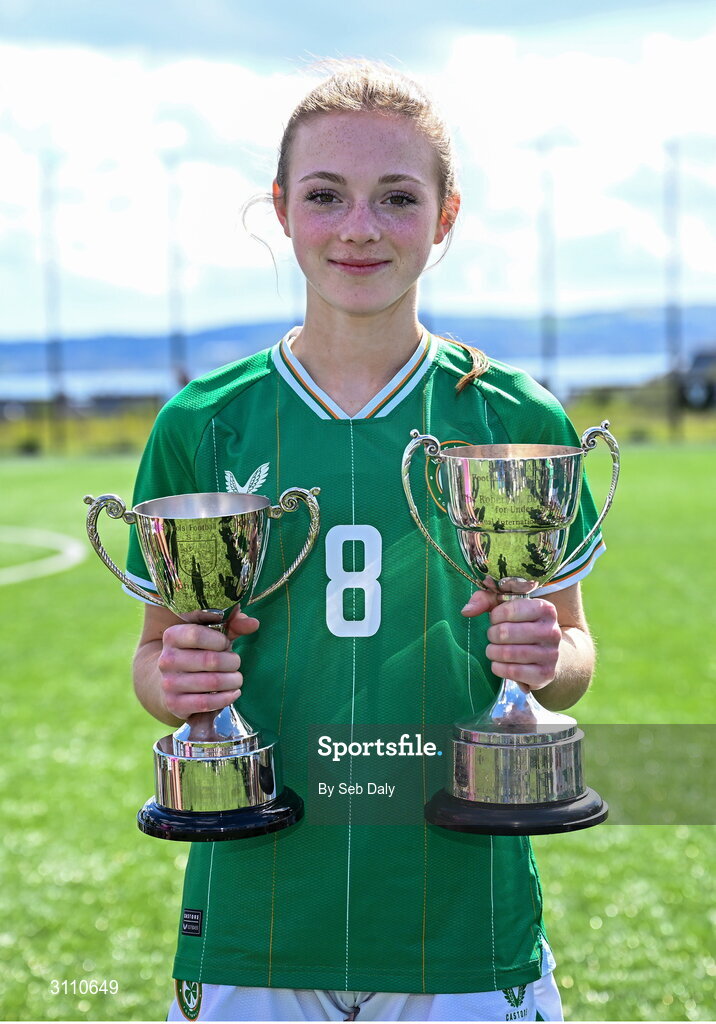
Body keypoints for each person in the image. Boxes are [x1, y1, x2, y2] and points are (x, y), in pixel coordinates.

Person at [126, 61, 604, 1022]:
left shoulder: (514, 416)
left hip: (460, 914)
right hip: (257, 911)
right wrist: (172, 683)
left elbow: (572, 658)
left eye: (396, 197)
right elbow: (153, 666)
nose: (359, 227)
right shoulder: (204, 421)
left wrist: (547, 659)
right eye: (325, 196)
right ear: (281, 208)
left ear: (446, 215)